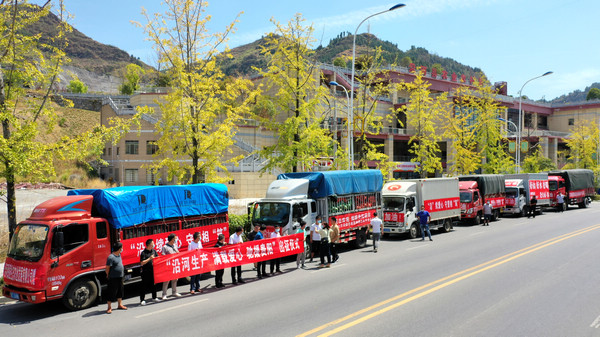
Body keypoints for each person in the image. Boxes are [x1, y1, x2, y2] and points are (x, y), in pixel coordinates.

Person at [105, 242, 127, 314]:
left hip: (120, 277)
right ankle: (109, 307)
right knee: (111, 292)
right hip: (113, 277)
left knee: (120, 291)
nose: (122, 249)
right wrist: (108, 275)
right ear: (119, 249)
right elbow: (107, 268)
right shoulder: (111, 257)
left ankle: (120, 305)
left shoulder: (119, 255)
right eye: (121, 248)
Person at [139, 239, 161, 306]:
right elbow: (142, 263)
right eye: (152, 243)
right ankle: (142, 300)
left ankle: (154, 297)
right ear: (149, 245)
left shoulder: (154, 251)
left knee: (153, 285)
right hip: (145, 272)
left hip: (153, 271)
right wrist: (149, 259)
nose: (153, 245)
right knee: (144, 286)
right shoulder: (143, 253)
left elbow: (158, 258)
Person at [161, 233, 182, 300]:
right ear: (172, 239)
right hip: (168, 266)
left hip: (175, 265)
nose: (176, 240)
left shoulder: (174, 246)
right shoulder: (165, 247)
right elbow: (163, 256)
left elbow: (177, 253)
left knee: (175, 279)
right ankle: (164, 294)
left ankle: (174, 292)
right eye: (175, 239)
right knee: (166, 280)